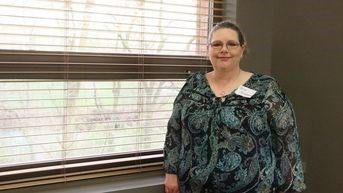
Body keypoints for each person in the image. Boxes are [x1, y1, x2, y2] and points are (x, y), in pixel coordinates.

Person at [163, 20, 306, 193]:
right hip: (194, 186)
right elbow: (174, 129)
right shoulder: (193, 85)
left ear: (242, 49)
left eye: (231, 44)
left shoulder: (265, 87)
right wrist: (171, 171)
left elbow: (287, 140)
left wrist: (290, 188)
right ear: (208, 49)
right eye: (216, 44)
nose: (224, 49)